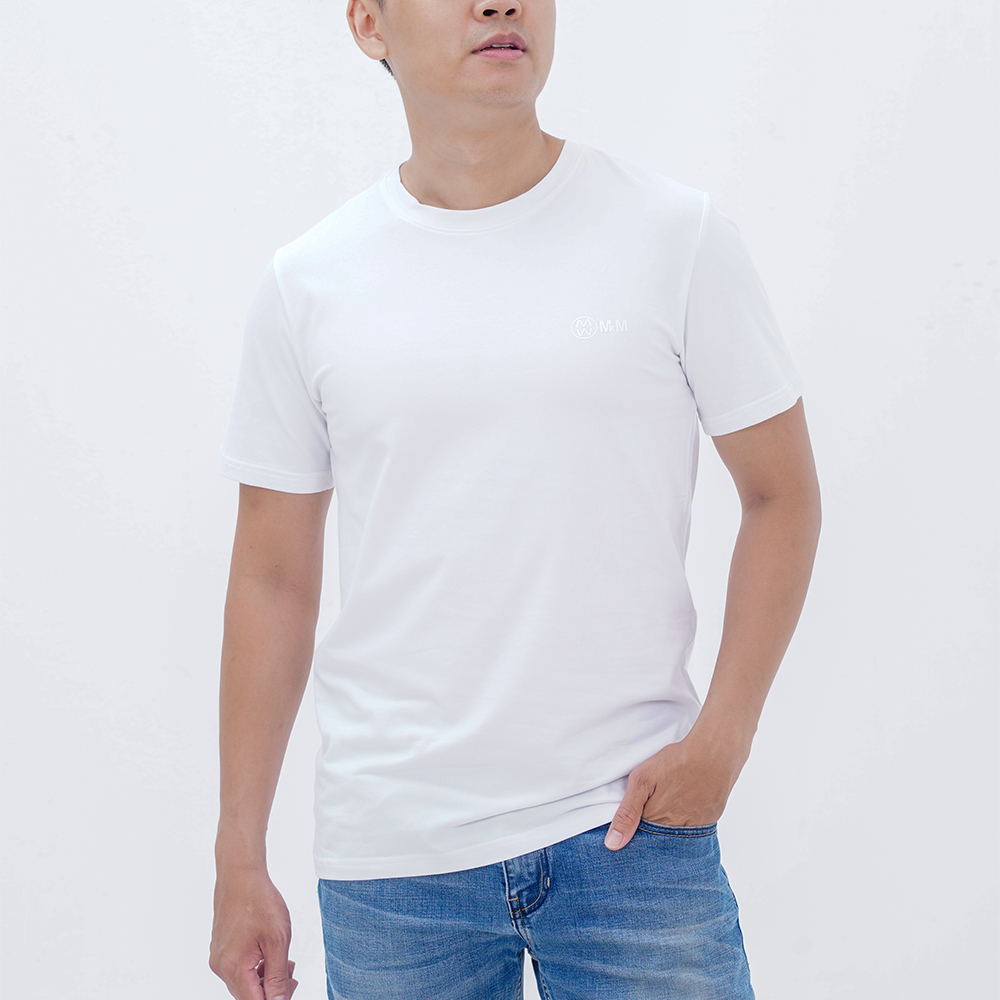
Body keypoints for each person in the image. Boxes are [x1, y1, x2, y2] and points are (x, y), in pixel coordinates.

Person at [208, 0, 822, 997]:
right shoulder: (307, 284)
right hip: (395, 867)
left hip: (632, 832)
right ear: (369, 25)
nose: (501, 4)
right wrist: (238, 857)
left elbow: (781, 493)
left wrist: (725, 736)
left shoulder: (674, 236)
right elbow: (271, 577)